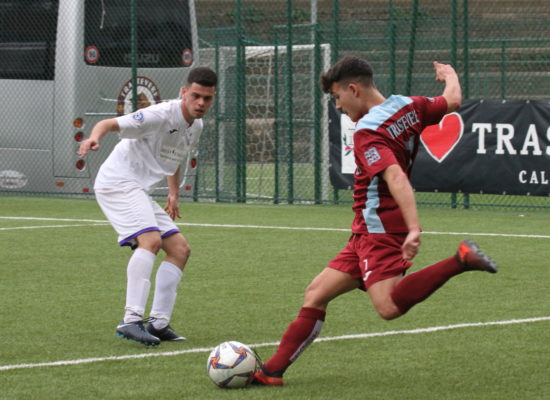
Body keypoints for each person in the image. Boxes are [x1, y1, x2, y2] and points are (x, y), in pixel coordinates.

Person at [253, 56, 498, 385]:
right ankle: (272, 372)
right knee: (316, 293)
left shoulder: (367, 130)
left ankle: (460, 259)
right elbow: (453, 100)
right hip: (365, 229)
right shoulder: (407, 106)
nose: (338, 107)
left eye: (337, 97)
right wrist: (450, 74)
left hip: (379, 226)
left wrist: (413, 227)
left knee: (388, 306)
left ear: (353, 89)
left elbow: (396, 176)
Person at [78, 67, 217, 346]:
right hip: (117, 182)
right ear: (184, 93)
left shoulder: (196, 126)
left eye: (207, 98)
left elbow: (174, 156)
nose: (201, 103)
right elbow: (109, 123)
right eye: (196, 96)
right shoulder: (160, 114)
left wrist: (173, 193)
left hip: (137, 189)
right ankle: (131, 320)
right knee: (150, 240)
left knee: (180, 250)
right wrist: (94, 138)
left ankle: (158, 323)